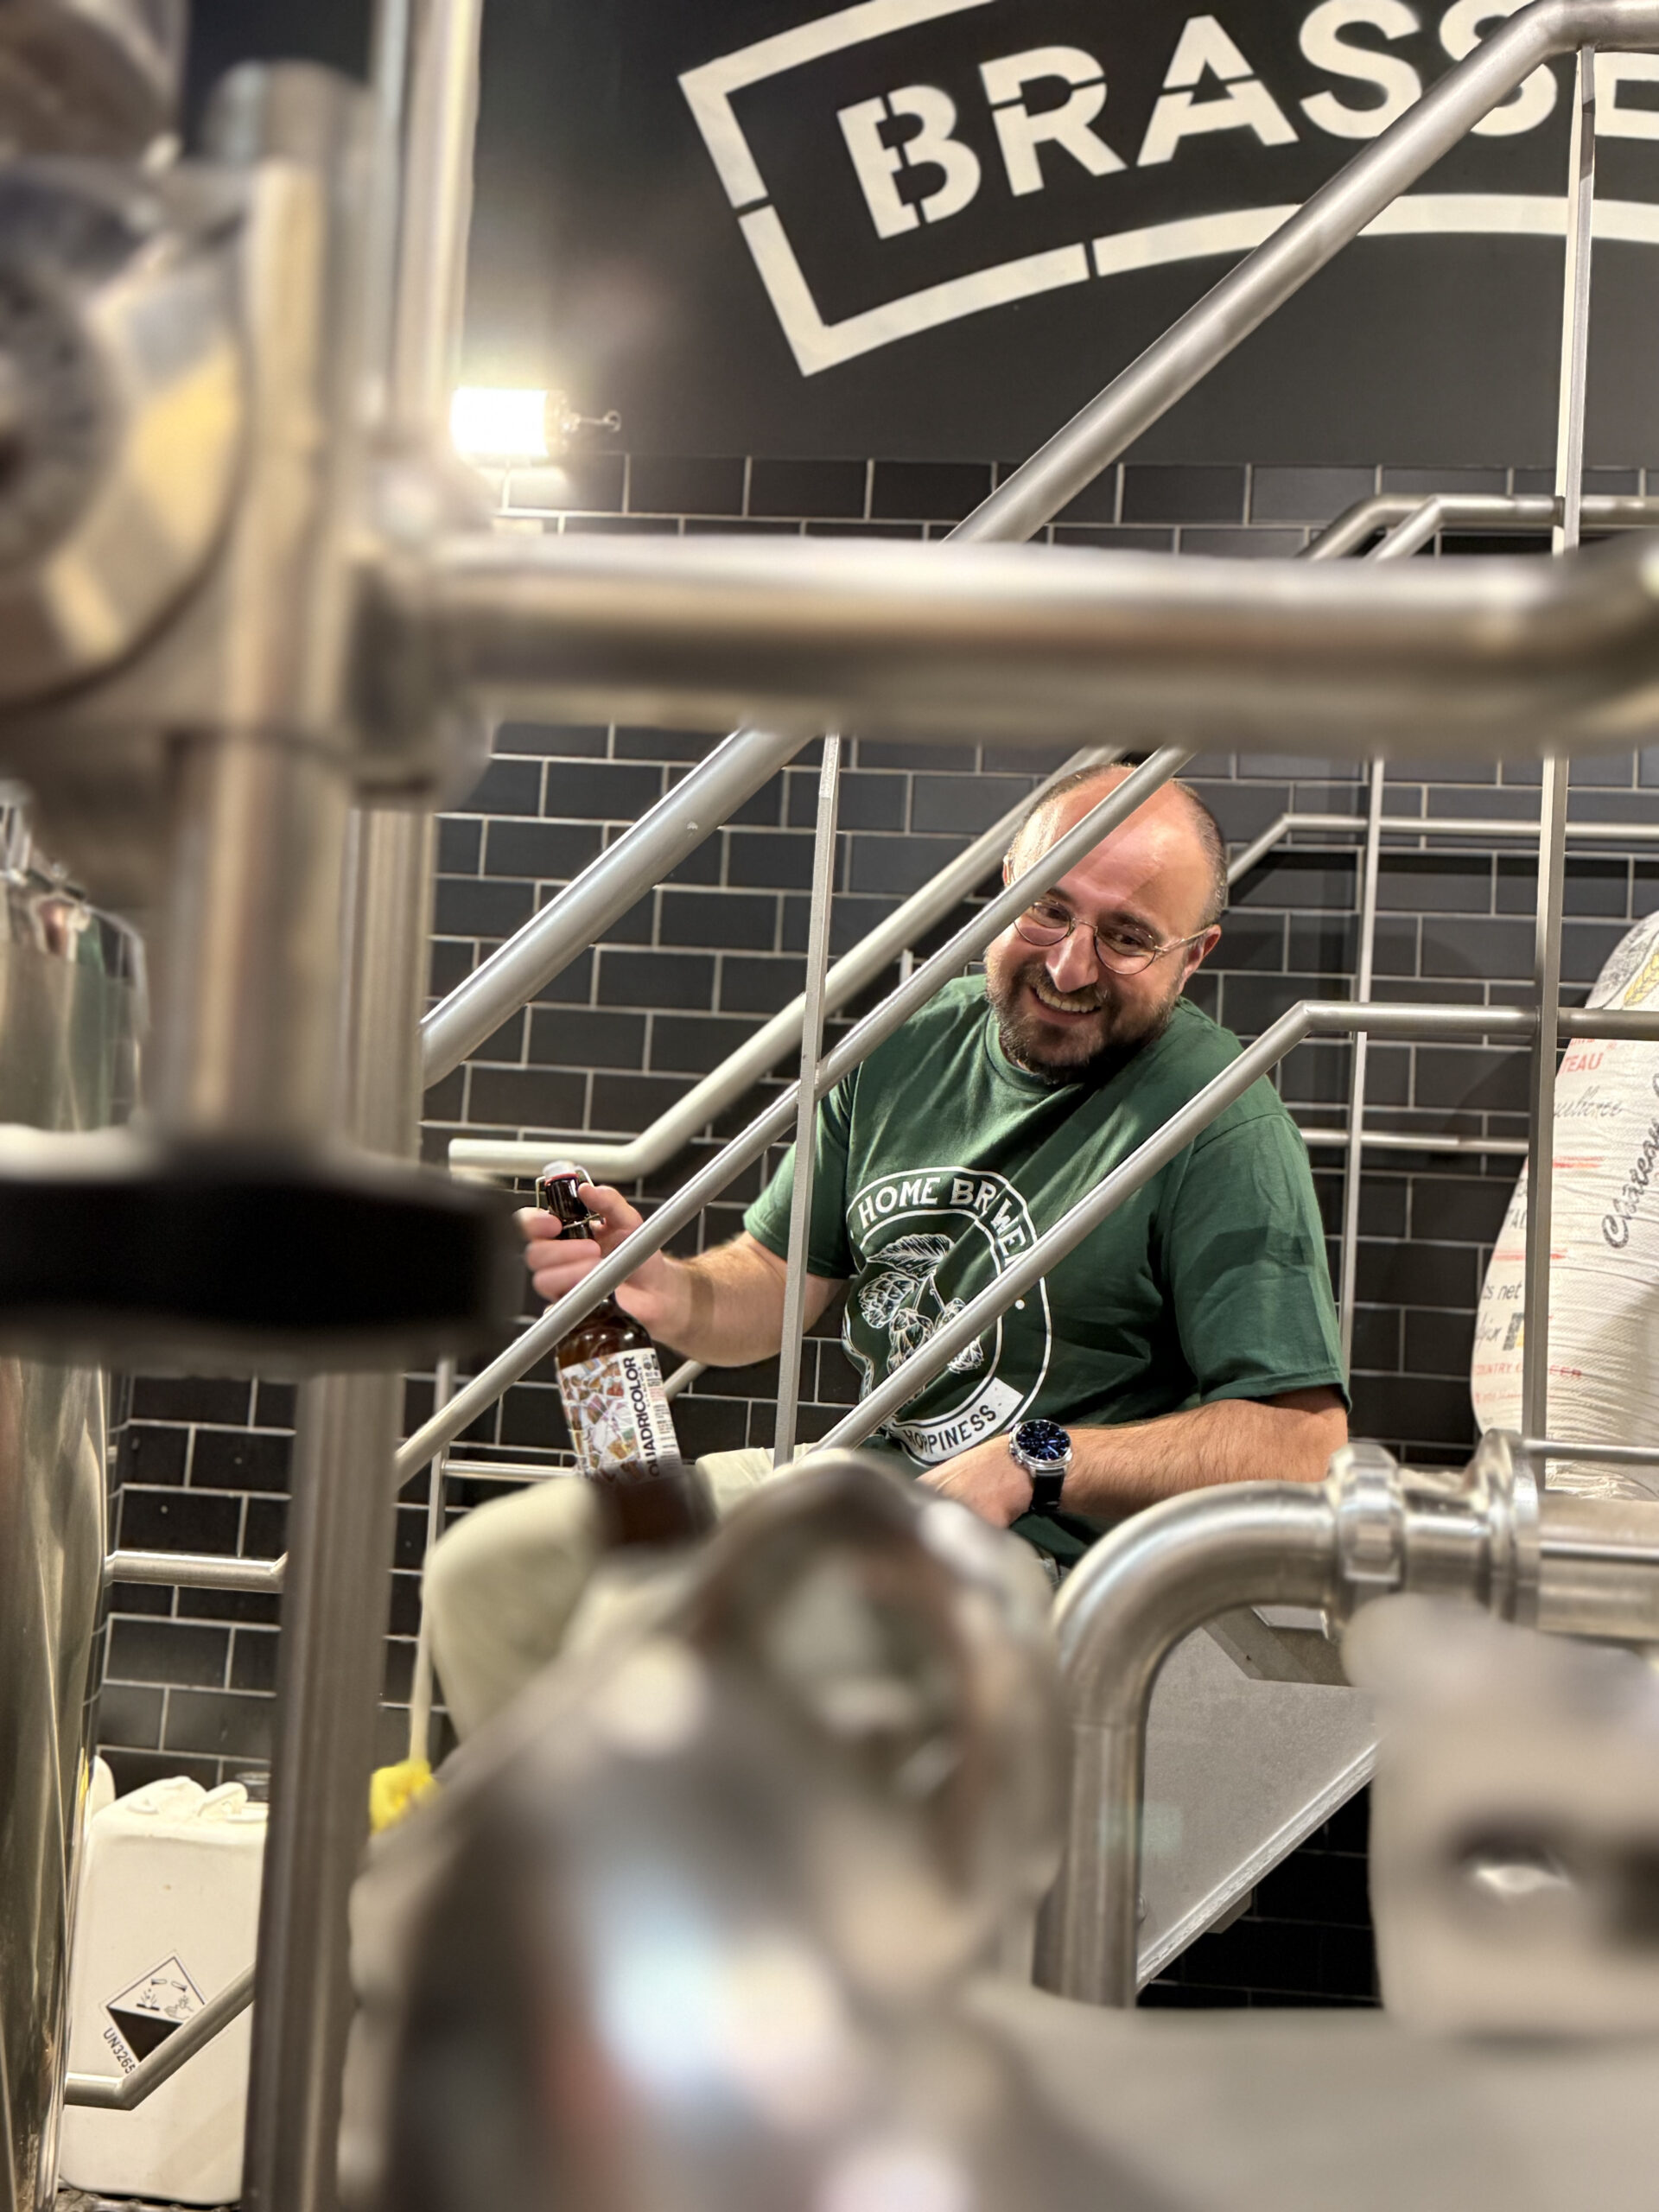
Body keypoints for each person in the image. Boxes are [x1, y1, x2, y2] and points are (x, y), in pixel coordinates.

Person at [425, 761, 1347, 1730]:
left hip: (1047, 1557)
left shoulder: (1222, 1120)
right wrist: (667, 1288)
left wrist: (1032, 1459)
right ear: (1008, 882)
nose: (1071, 967)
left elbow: (1301, 1445)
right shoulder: (903, 1046)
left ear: (1193, 957)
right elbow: (776, 1282)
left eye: (1126, 938)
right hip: (859, 1490)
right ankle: (576, 1825)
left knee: (652, 1625)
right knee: (492, 1575)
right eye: (1049, 910)